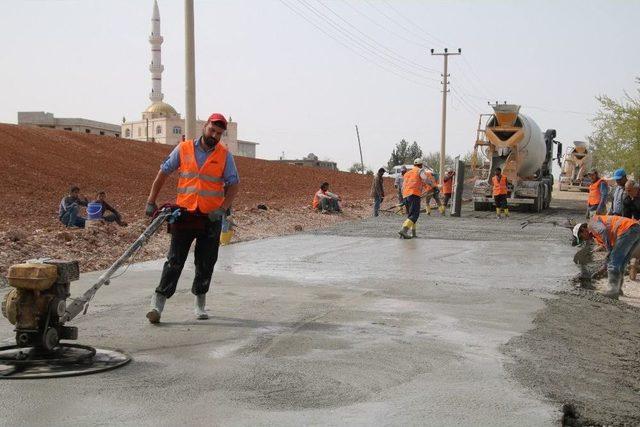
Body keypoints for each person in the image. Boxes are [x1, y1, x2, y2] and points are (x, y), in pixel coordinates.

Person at [144, 113, 240, 323]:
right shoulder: (184, 148)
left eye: (219, 133)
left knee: (206, 262)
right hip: (185, 215)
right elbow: (163, 173)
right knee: (174, 261)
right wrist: (151, 200)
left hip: (211, 218)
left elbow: (233, 184)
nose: (214, 135)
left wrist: (223, 209)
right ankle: (157, 305)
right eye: (211, 130)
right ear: (204, 127)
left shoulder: (225, 156)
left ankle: (200, 304)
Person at [573, 215, 640, 298]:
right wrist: (604, 266)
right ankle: (617, 289)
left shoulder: (592, 223)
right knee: (622, 263)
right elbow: (609, 246)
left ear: (583, 230)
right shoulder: (596, 236)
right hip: (634, 229)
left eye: (581, 237)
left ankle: (613, 291)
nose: (584, 239)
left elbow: (603, 230)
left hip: (627, 229)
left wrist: (609, 250)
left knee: (613, 262)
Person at [398, 158, 431, 239]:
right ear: (421, 165)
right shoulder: (420, 170)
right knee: (414, 215)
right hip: (414, 195)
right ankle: (404, 230)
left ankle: (413, 233)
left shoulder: (407, 173)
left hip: (406, 195)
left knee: (411, 215)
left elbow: (403, 187)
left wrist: (404, 200)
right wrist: (433, 186)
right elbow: (425, 179)